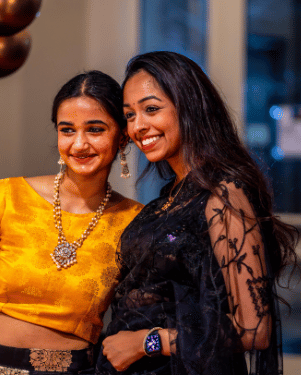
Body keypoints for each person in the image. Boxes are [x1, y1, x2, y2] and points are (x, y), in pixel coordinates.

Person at [96, 52, 299, 375]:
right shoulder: (167, 198)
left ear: (188, 107)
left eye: (151, 109)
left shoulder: (224, 196)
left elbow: (254, 330)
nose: (138, 126)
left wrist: (147, 342)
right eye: (129, 115)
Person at [0, 70, 143, 375]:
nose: (79, 144)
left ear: (121, 136)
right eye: (67, 130)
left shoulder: (134, 222)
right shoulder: (7, 196)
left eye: (95, 129)